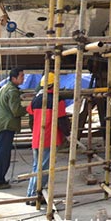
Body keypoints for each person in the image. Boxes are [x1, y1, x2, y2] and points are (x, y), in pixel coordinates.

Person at [26, 73, 69, 205]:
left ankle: (30, 194)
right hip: (49, 138)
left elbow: (31, 120)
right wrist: (68, 134)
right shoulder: (57, 100)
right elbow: (62, 120)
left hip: (37, 138)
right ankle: (34, 195)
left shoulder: (35, 99)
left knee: (36, 166)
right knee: (44, 168)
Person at [0, 67, 26, 189]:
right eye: (21, 76)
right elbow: (16, 111)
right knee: (3, 155)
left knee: (0, 153)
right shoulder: (12, 91)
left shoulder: (6, 88)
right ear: (14, 78)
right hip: (6, 126)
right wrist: (29, 108)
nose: (23, 78)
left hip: (0, 125)